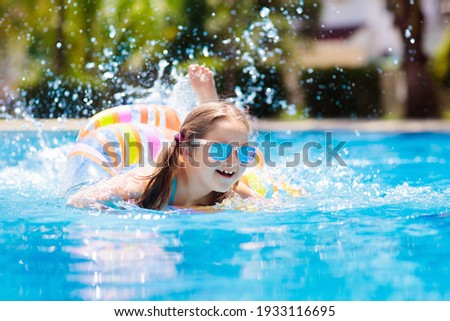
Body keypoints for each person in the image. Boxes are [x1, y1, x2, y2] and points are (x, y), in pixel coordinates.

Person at [67, 64, 263, 210]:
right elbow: (78, 201)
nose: (232, 161)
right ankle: (207, 101)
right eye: (219, 150)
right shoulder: (147, 184)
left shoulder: (231, 189)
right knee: (213, 129)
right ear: (187, 149)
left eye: (245, 152)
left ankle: (208, 100)